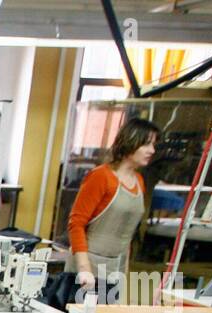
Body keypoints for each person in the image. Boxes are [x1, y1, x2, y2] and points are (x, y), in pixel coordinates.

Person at [67, 117, 160, 293]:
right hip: (88, 267)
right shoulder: (101, 177)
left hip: (115, 267)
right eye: (146, 144)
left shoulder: (139, 181)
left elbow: (127, 235)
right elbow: (76, 223)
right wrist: (84, 269)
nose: (152, 150)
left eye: (153, 145)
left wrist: (124, 273)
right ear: (130, 143)